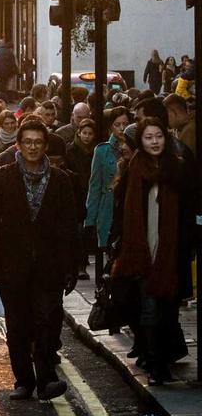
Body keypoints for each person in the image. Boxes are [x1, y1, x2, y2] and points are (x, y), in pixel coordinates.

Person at [0, 118, 79, 401]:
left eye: (38, 142)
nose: (33, 147)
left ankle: (47, 379)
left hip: (49, 267)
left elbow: (70, 225)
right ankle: (24, 380)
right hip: (13, 265)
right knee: (18, 324)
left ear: (45, 146)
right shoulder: (3, 177)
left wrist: (71, 266)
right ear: (18, 146)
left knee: (47, 321)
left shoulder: (60, 180)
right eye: (28, 142)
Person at [110, 117, 196, 385]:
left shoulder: (178, 169)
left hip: (172, 254)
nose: (154, 142)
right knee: (148, 309)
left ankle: (160, 357)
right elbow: (121, 210)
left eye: (158, 136)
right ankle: (156, 364)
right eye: (148, 137)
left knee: (167, 310)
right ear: (141, 141)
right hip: (141, 252)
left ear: (166, 137)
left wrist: (189, 245)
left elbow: (190, 210)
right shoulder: (133, 169)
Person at [85, 106, 130, 284]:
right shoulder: (102, 151)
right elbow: (94, 186)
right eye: (117, 124)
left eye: (125, 124)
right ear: (110, 127)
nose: (121, 128)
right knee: (108, 254)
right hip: (108, 207)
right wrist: (90, 219)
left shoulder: (136, 148)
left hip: (128, 207)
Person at [66, 117, 96, 279]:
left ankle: (81, 264)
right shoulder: (70, 150)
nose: (87, 136)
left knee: (85, 232)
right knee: (78, 232)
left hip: (91, 194)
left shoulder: (96, 151)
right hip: (76, 195)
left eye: (90, 133)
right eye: (84, 133)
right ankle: (79, 265)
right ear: (79, 133)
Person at [164, 93, 196, 159]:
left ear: (174, 112)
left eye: (166, 115)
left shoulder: (189, 130)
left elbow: (185, 162)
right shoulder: (180, 127)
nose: (165, 119)